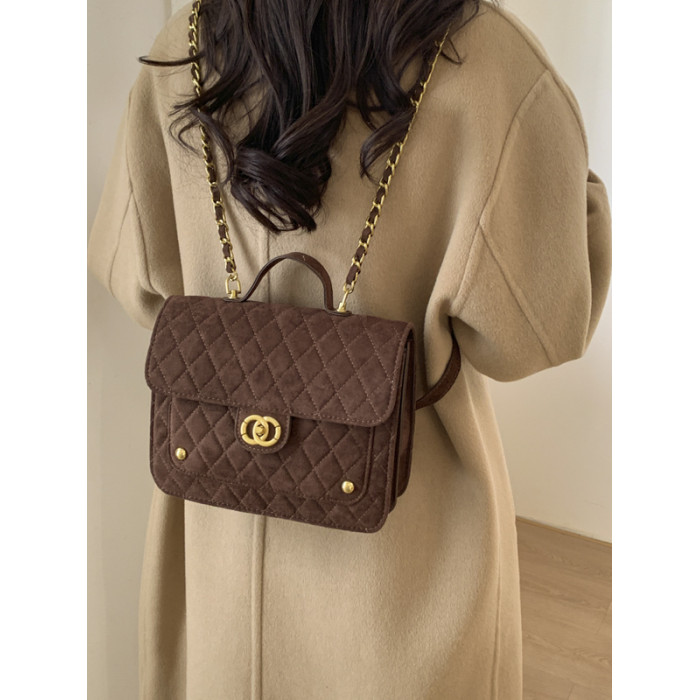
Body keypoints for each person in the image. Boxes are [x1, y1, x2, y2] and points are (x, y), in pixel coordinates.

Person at [88, 0, 612, 697]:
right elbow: (534, 332)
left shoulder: (185, 48)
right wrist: (577, 200)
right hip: (403, 566)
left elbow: (133, 279)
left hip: (219, 539)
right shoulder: (488, 57)